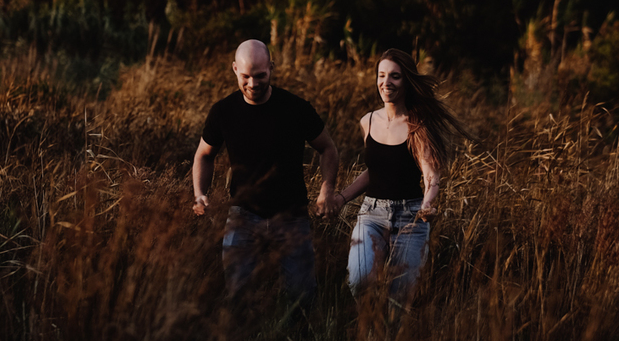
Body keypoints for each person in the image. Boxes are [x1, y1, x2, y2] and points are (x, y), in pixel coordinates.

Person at [193, 39, 340, 306]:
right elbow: (204, 155)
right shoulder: (223, 112)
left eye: (260, 75)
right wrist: (200, 194)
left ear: (271, 68)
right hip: (243, 217)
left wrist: (327, 189)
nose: (252, 83)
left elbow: (328, 148)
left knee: (302, 300)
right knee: (238, 298)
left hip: (291, 216)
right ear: (235, 69)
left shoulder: (296, 109)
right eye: (246, 76)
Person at [330, 49, 472, 308]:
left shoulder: (418, 124)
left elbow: (431, 175)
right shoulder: (368, 121)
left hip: (411, 219)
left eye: (394, 76)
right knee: (360, 283)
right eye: (381, 75)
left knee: (399, 301)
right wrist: (340, 199)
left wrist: (428, 203)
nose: (386, 83)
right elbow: (375, 171)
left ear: (406, 81)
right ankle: (369, 338)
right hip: (371, 215)